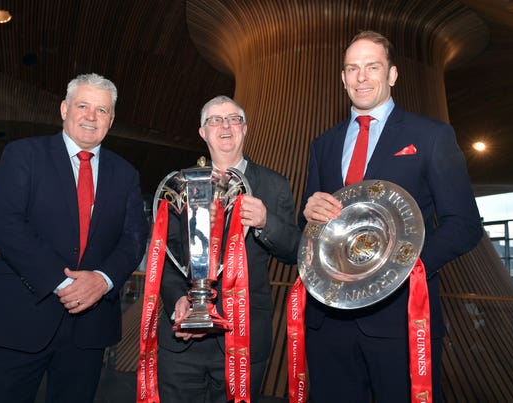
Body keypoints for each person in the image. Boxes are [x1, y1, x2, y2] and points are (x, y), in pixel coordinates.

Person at [300, 31, 483, 402]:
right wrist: (309, 214)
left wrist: (398, 269)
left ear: (393, 74)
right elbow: (313, 230)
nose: (362, 77)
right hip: (328, 325)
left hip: (401, 320)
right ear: (343, 78)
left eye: (372, 67)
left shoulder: (431, 136)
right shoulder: (323, 144)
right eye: (353, 68)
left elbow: (464, 225)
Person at [0, 73, 149, 402]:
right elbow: (5, 222)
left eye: (102, 110)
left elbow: (134, 239)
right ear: (64, 109)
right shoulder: (24, 155)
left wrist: (103, 280)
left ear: (111, 119)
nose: (91, 116)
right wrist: (63, 283)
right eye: (83, 105)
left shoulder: (126, 174)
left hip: (90, 326)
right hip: (20, 316)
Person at [157, 95, 301, 402]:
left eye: (233, 119)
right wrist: (177, 301)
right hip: (182, 338)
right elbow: (165, 255)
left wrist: (266, 222)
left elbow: (295, 251)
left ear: (245, 129)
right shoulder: (180, 184)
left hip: (244, 337)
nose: (225, 126)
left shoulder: (274, 185)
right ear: (203, 132)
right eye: (215, 120)